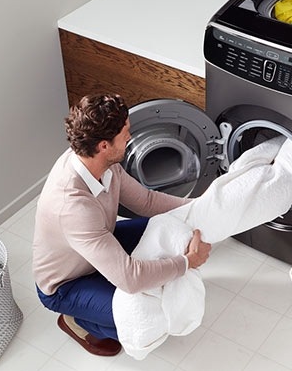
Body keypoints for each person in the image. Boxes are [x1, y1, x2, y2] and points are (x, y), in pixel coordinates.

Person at [32, 93, 212, 357]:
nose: (130, 136)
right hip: (67, 283)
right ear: (104, 145)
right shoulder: (72, 206)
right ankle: (78, 320)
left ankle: (103, 297)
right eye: (125, 132)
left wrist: (201, 206)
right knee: (146, 320)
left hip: (101, 243)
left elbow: (147, 201)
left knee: (173, 230)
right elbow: (130, 279)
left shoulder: (98, 161)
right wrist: (186, 263)